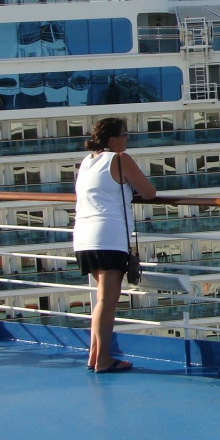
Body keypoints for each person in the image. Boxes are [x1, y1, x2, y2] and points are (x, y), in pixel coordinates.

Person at [73, 117, 156, 373]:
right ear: (112, 139)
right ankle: (103, 359)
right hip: (108, 235)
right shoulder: (120, 159)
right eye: (125, 135)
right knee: (107, 301)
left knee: (102, 299)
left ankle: (95, 355)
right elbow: (149, 192)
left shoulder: (87, 163)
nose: (127, 139)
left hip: (83, 235)